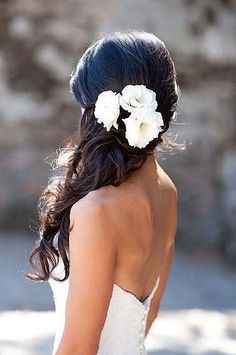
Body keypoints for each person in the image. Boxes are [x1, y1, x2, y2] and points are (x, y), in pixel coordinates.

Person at [26, 30, 180, 355]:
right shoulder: (167, 190)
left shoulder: (97, 211)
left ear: (96, 111)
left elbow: (79, 348)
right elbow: (147, 314)